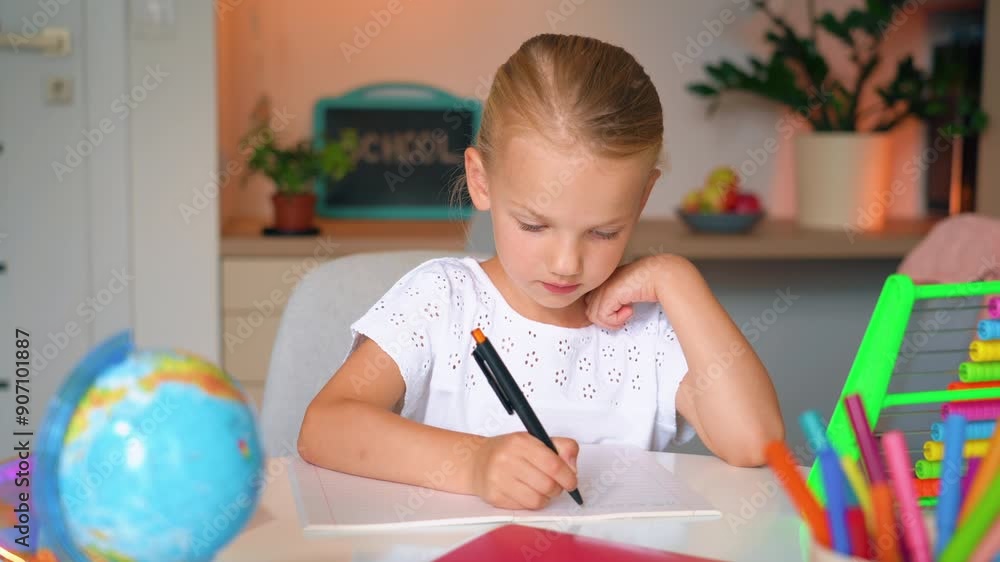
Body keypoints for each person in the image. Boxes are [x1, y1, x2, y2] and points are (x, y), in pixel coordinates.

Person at [298, 33, 784, 510]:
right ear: (481, 181)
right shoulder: (441, 301)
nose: (566, 264)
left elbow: (755, 441)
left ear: (641, 200)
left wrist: (677, 278)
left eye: (603, 232)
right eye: (534, 224)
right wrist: (474, 464)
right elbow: (325, 426)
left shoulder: (649, 326)